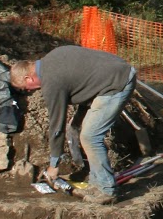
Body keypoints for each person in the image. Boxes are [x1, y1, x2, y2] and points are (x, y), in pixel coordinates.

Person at [9, 46, 136, 205]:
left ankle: (107, 190)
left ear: (29, 78)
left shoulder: (51, 81)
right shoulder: (53, 57)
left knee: (90, 136)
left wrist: (54, 164)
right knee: (84, 132)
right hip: (114, 73)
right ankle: (96, 185)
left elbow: (56, 124)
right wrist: (77, 122)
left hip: (117, 83)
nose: (28, 92)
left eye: (25, 88)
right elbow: (86, 80)